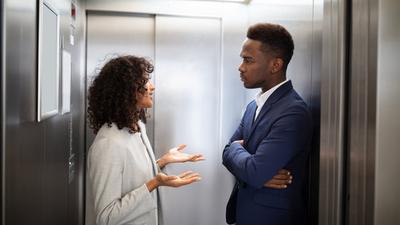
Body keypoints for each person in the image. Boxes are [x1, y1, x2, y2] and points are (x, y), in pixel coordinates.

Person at [85, 55, 205, 225]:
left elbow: (131, 178)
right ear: (127, 89)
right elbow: (106, 217)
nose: (152, 87)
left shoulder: (136, 128)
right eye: (145, 81)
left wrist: (162, 161)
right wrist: (154, 183)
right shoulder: (108, 144)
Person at [222, 23, 313, 225]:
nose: (240, 67)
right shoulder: (253, 106)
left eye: (248, 60)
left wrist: (248, 164)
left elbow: (253, 171)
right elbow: (226, 152)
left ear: (275, 65)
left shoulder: (293, 112)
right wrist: (253, 169)